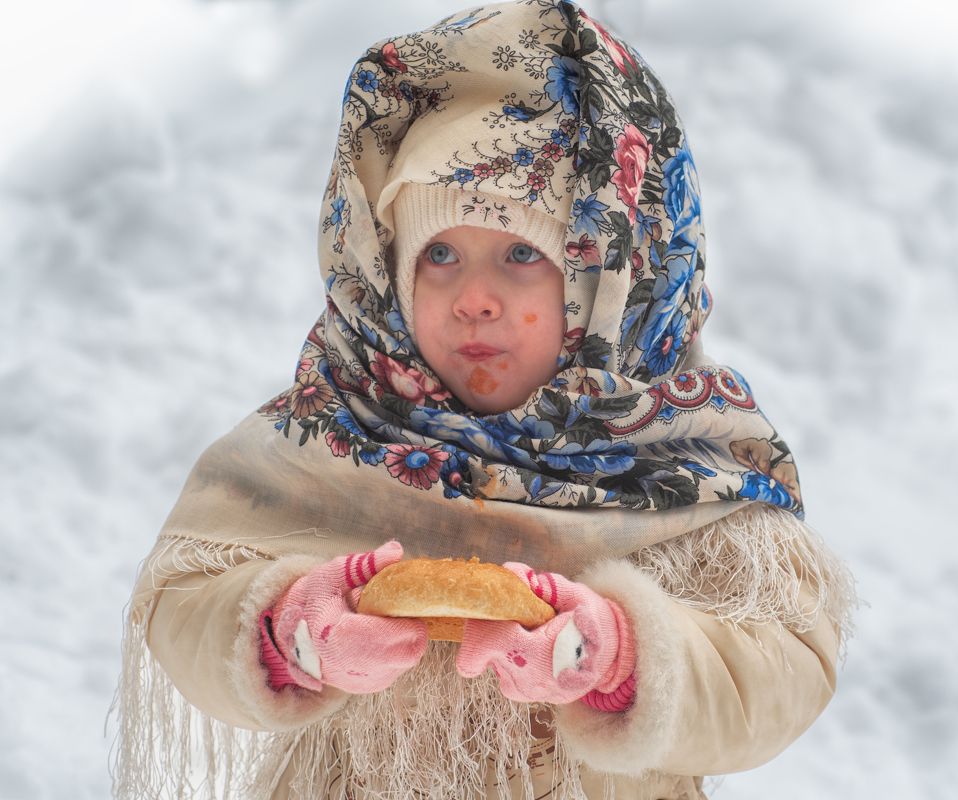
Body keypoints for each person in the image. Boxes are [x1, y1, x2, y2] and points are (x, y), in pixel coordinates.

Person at [111, 2, 856, 799]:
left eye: (520, 255)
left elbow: (784, 667)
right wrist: (290, 629)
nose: (473, 299)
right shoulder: (335, 427)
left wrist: (623, 652)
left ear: (615, 278)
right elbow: (184, 598)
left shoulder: (688, 460)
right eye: (439, 253)